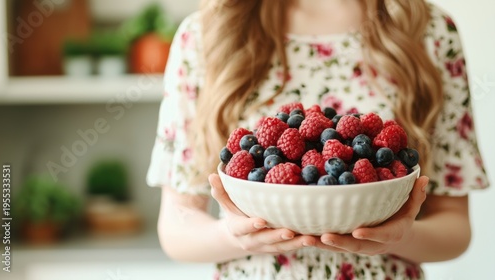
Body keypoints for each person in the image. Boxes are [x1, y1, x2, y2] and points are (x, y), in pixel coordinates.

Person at [147, 0, 489, 279]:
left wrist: (403, 236)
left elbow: (455, 229)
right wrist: (233, 237)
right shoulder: (206, 33)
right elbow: (176, 226)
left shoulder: (428, 31)